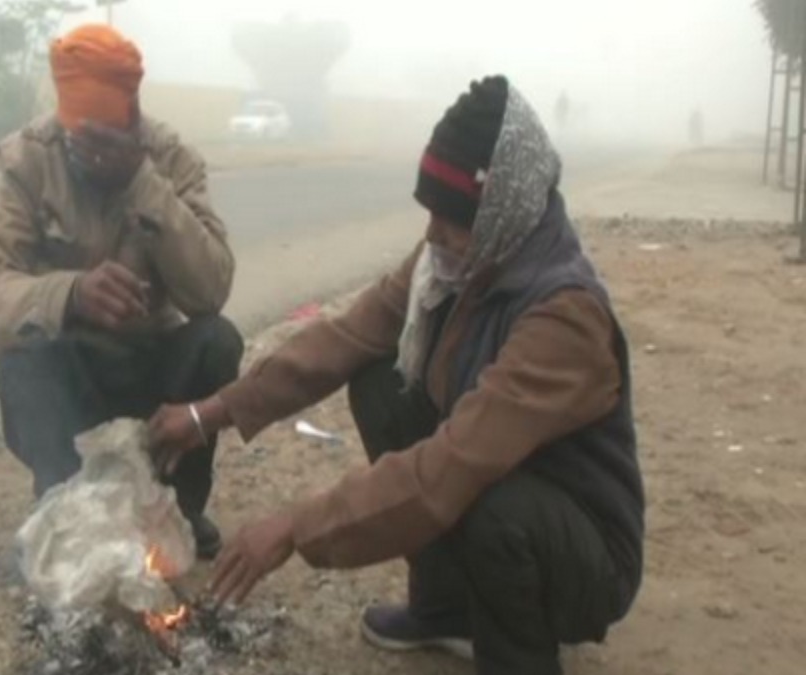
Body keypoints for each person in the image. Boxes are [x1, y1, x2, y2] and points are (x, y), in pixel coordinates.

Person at [149, 76, 644, 674]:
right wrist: (208, 414)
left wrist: (295, 528)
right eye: (430, 211)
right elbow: (343, 339)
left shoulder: (564, 316)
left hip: (579, 550)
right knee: (380, 382)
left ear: (500, 211)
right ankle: (444, 610)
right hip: (494, 477)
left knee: (496, 508)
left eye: (451, 216)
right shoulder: (455, 262)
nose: (433, 231)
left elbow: (448, 468)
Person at [0, 24, 241, 560]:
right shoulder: (30, 159)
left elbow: (211, 290)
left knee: (217, 341)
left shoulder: (171, 161)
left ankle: (176, 509)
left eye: (104, 134)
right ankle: (65, 507)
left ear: (132, 109)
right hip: (74, 379)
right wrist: (70, 294)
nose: (88, 149)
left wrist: (141, 180)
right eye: (79, 133)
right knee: (20, 356)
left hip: (153, 378)